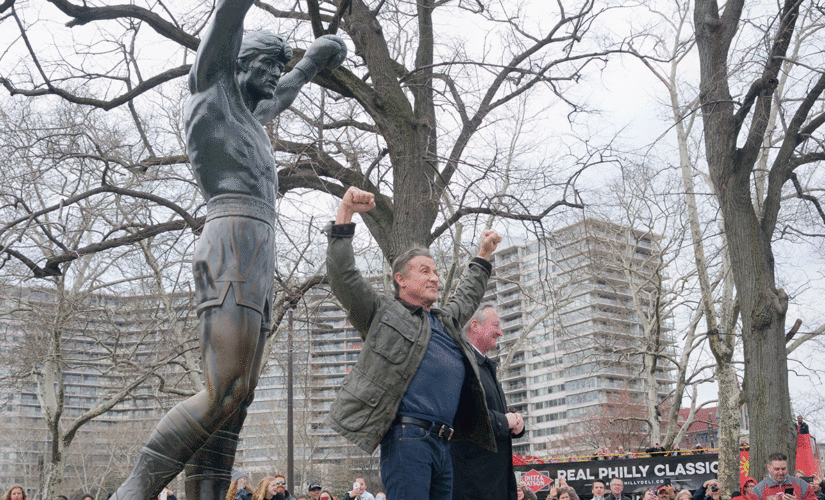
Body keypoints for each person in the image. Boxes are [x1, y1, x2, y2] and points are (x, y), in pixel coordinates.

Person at [109, 0, 347, 498]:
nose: (276, 78)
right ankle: (133, 490)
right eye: (269, 66)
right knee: (225, 389)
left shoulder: (248, 114)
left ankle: (207, 493)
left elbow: (280, 92)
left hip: (258, 244)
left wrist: (309, 63)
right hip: (231, 236)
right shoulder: (210, 89)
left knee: (239, 397)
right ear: (239, 62)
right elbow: (226, 20)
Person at [324, 186, 502, 500]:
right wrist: (345, 215)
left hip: (444, 445)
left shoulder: (445, 322)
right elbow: (344, 276)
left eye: (435, 272)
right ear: (401, 279)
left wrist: (483, 255)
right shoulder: (383, 314)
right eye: (424, 271)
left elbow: (467, 293)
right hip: (408, 440)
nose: (434, 277)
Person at [451, 303, 525, 500]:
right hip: (474, 485)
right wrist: (504, 421)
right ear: (474, 326)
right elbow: (465, 415)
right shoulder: (462, 363)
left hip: (495, 484)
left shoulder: (485, 366)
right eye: (495, 326)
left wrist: (515, 422)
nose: (500, 333)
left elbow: (491, 411)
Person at [752, 452, 817, 500]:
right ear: (768, 467)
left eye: (783, 469)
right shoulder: (758, 490)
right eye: (777, 469)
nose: (781, 472)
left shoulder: (802, 485)